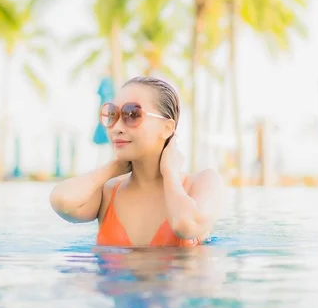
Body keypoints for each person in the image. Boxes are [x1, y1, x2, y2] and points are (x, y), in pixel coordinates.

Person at [49, 76, 225, 247]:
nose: (116, 128)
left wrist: (170, 173)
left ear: (166, 128)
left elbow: (186, 226)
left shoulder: (202, 183)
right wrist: (112, 168)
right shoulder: (108, 192)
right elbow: (62, 201)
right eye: (112, 115)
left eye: (132, 114)